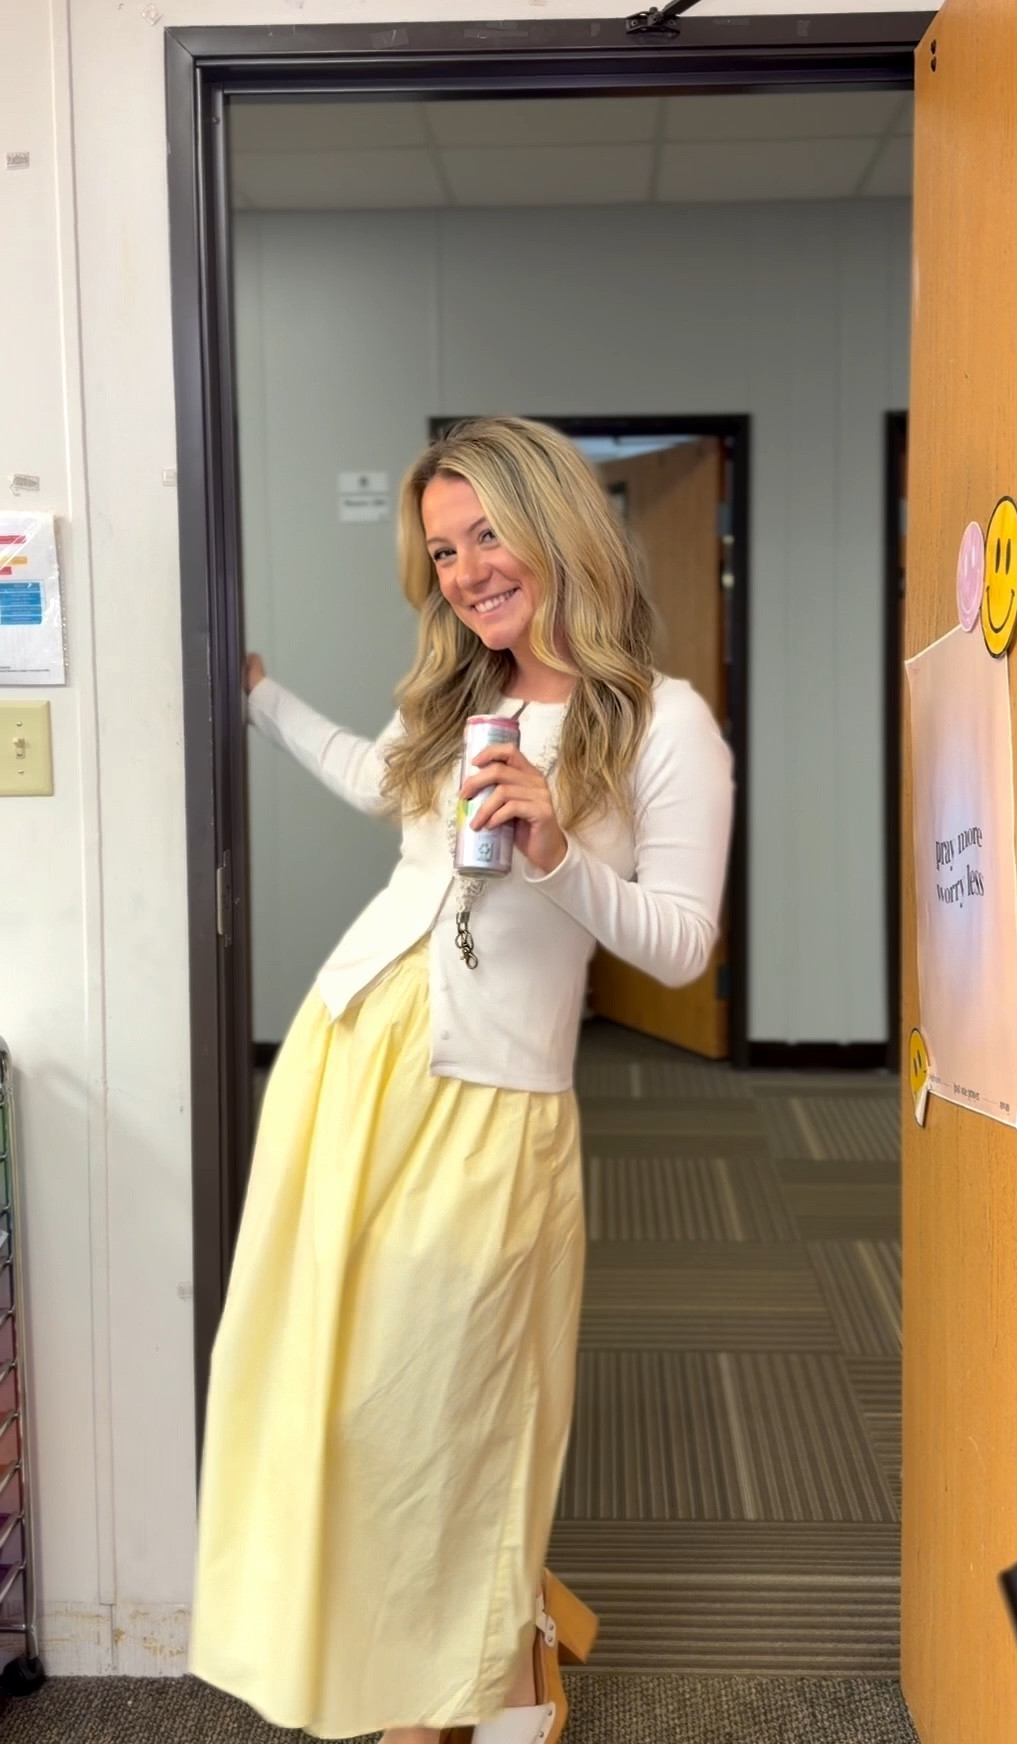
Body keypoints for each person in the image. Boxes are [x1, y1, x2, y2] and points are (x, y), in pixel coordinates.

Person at [189, 417, 734, 1744]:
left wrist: (555, 852)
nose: (469, 570)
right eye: (443, 550)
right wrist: (261, 697)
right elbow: (379, 784)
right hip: (346, 1060)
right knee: (341, 1390)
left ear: (558, 526)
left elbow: (682, 943)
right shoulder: (462, 696)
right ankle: (432, 1672)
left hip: (492, 1097)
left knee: (456, 1403)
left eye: (490, 533)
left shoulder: (664, 722)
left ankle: (484, 1674)